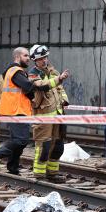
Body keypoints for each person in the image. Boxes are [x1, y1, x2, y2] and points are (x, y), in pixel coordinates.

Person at [0, 47, 69, 175]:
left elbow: (26, 90)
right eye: (26, 56)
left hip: (17, 110)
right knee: (21, 140)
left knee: (18, 141)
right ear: (17, 57)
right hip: (16, 110)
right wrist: (39, 92)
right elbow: (29, 86)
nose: (28, 58)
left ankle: (12, 167)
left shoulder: (15, 71)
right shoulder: (16, 71)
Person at [28, 44, 69, 182]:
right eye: (40, 59)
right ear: (35, 60)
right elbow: (43, 85)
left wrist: (64, 100)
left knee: (58, 146)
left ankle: (52, 173)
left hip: (58, 115)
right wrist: (59, 79)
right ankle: (39, 175)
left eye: (45, 57)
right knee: (44, 146)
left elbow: (60, 89)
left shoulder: (53, 72)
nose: (44, 60)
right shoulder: (33, 74)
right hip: (43, 117)